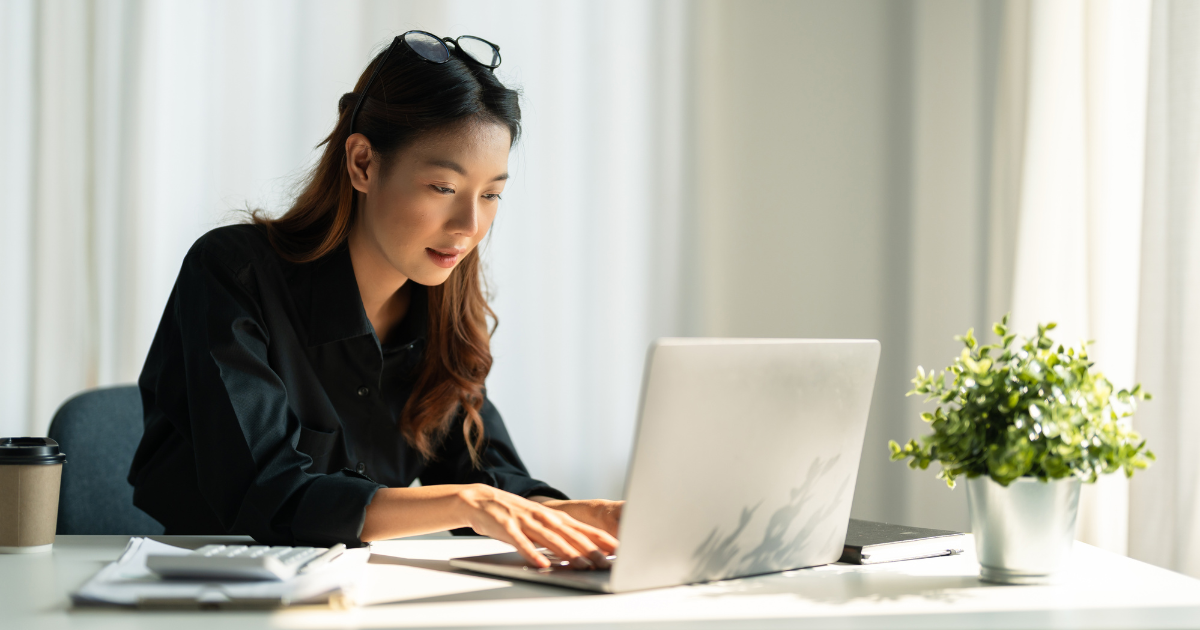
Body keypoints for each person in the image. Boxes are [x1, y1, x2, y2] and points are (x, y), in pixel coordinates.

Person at [128, 31, 620, 570]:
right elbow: (270, 493)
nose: (469, 226)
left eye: (491, 193)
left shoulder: (441, 300)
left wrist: (588, 514)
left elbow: (485, 476)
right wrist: (464, 503)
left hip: (352, 592)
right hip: (204, 589)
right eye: (443, 188)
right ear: (363, 163)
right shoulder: (232, 272)